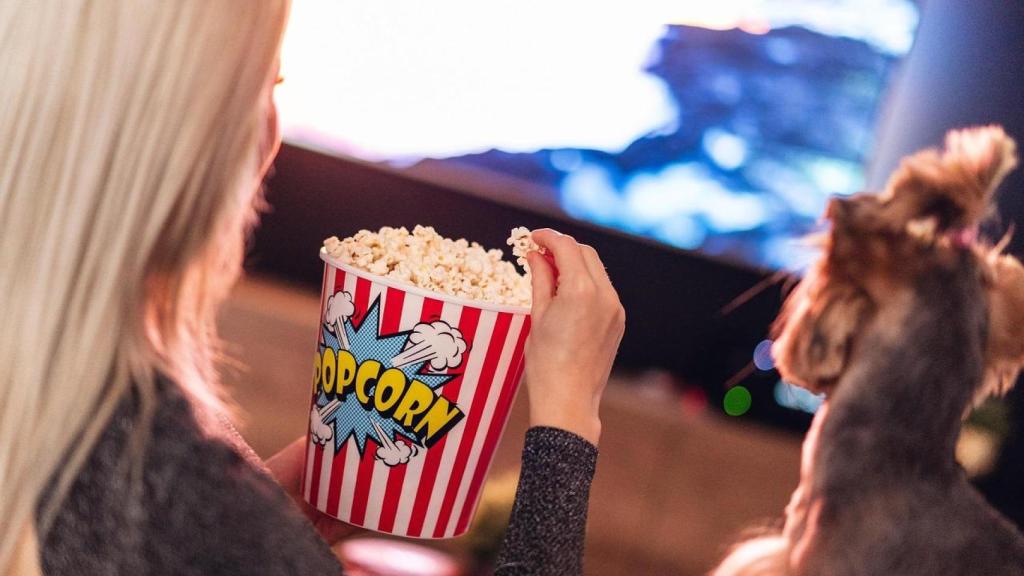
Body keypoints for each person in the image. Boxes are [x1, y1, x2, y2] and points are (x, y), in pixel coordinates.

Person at [0, 2, 625, 575]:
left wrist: (263, 530)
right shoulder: (168, 472)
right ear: (187, 134)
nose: (273, 126)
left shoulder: (83, 421)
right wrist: (568, 418)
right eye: (263, 86)